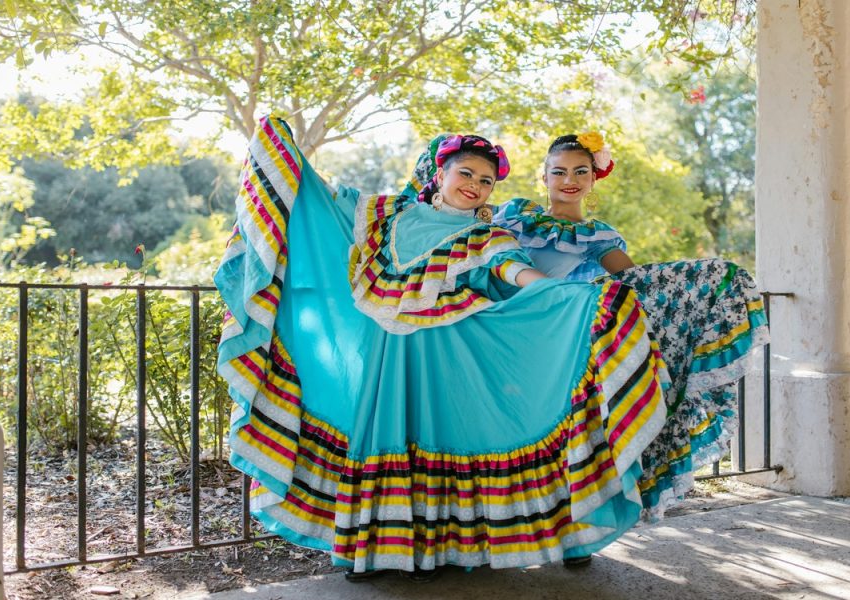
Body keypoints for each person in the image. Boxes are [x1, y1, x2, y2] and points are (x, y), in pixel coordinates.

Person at [215, 118, 671, 581]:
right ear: (442, 173)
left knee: (454, 434)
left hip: (447, 355)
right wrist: (285, 155)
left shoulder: (489, 236)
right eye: (466, 174)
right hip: (386, 355)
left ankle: (492, 541)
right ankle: (372, 552)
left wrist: (570, 296)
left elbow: (516, 273)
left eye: (487, 180)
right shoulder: (390, 214)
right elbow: (328, 208)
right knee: (383, 434)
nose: (475, 185)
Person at [493, 132, 770, 520]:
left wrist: (711, 278)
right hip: (502, 331)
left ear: (593, 179)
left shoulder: (597, 236)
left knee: (562, 433)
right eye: (558, 171)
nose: (569, 179)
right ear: (544, 177)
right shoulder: (513, 215)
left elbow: (638, 283)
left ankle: (570, 530)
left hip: (563, 340)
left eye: (580, 171)